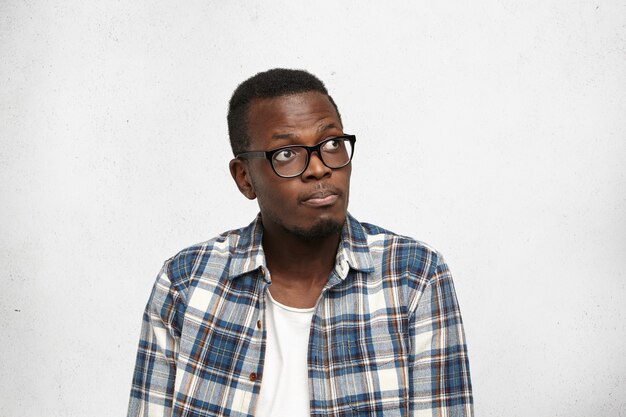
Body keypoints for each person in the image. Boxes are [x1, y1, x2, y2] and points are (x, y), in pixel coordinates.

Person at [127, 68, 473, 417]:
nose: (319, 168)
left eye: (332, 144)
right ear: (245, 178)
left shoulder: (414, 277)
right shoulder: (186, 283)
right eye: (287, 153)